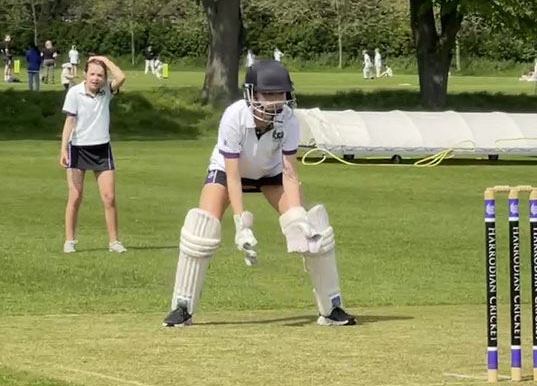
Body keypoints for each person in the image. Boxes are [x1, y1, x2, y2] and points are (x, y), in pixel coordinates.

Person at [162, 59, 355, 329]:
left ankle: (331, 308)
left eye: (280, 94)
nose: (275, 102)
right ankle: (182, 307)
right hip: (230, 170)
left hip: (271, 172)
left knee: (314, 228)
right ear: (252, 94)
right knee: (201, 227)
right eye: (268, 94)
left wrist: (297, 218)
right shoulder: (234, 116)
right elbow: (232, 175)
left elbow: (289, 172)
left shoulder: (288, 119)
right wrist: (241, 224)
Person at [60, 55, 127, 254]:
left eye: (100, 75)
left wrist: (104, 60)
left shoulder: (107, 90)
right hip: (78, 148)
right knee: (75, 196)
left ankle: (114, 242)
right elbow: (69, 123)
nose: (96, 78)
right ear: (85, 75)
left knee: (109, 197)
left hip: (101, 149)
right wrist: (63, 149)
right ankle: (70, 241)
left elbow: (121, 77)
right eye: (92, 74)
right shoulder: (74, 93)